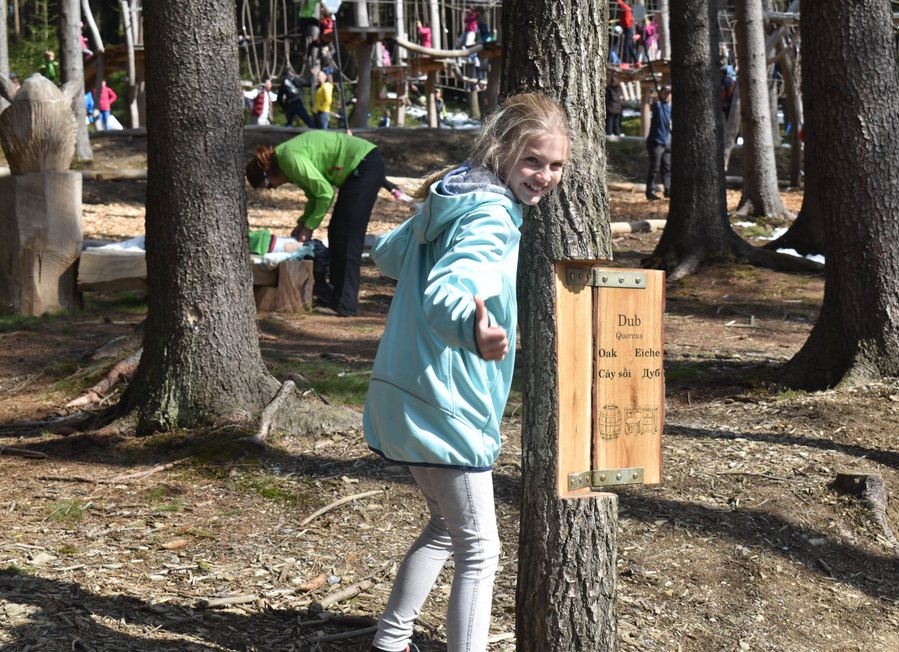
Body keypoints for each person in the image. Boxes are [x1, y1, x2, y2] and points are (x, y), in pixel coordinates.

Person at [363, 92, 571, 652]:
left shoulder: (451, 196)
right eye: (533, 161)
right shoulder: (491, 214)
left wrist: (421, 224)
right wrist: (472, 328)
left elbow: (386, 254)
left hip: (404, 394)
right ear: (503, 151)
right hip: (447, 404)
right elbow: (449, 292)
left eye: (555, 165)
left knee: (443, 527)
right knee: (481, 549)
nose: (544, 176)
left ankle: (390, 640)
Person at [245, 131, 396, 316]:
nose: (274, 188)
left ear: (268, 172)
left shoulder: (288, 159)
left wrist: (309, 227)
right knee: (336, 232)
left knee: (347, 237)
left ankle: (346, 306)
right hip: (358, 169)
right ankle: (336, 297)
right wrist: (303, 223)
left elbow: (325, 193)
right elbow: (313, 194)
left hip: (364, 165)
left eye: (268, 185)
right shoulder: (286, 162)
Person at [645, 84, 672, 201]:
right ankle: (650, 191)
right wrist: (655, 96)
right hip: (655, 142)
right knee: (655, 167)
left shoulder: (669, 108)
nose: (667, 95)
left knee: (667, 167)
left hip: (666, 142)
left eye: (669, 93)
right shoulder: (658, 105)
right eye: (665, 93)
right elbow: (653, 102)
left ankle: (668, 190)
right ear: (661, 93)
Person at [606, 70, 623, 137]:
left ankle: (609, 133)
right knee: (616, 122)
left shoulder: (609, 88)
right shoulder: (618, 88)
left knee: (610, 121)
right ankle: (617, 133)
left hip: (611, 107)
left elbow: (607, 98)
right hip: (618, 107)